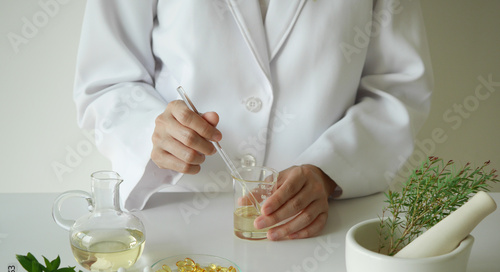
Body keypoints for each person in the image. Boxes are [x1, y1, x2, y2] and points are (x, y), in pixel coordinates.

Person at [74, 0, 433, 241]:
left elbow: (398, 89)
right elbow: (106, 82)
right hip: (175, 218)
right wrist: (149, 134)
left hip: (323, 225)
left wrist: (327, 170)